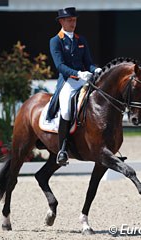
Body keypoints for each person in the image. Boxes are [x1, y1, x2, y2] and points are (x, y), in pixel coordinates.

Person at [48, 7, 102, 165]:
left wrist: (96, 69)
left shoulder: (81, 40)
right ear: (62, 21)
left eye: (74, 20)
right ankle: (62, 149)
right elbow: (60, 66)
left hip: (83, 79)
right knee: (65, 109)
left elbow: (89, 63)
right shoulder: (56, 41)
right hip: (67, 81)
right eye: (70, 20)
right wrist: (78, 74)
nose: (73, 23)